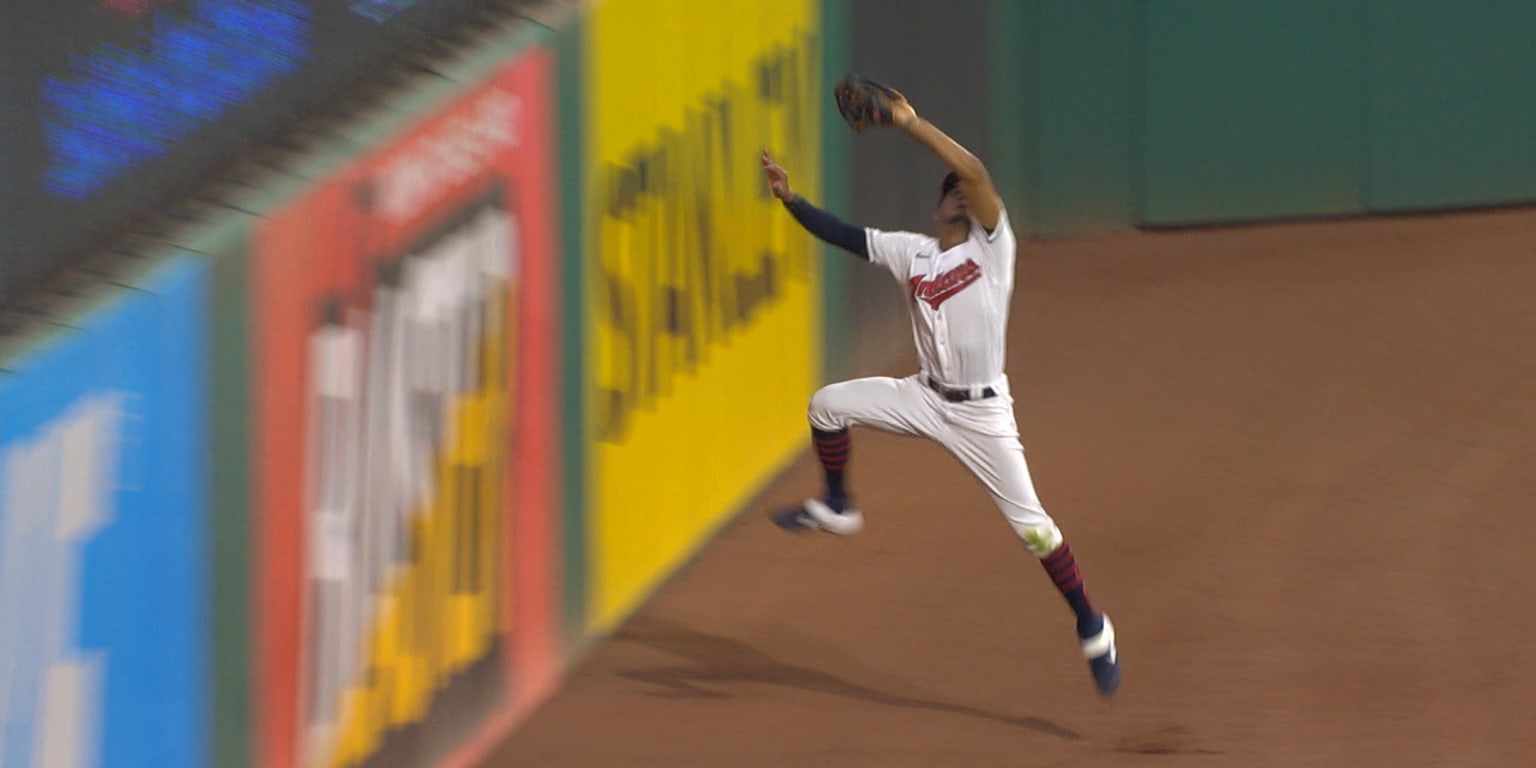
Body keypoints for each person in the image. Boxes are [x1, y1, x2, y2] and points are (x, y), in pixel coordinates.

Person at [758, 87, 1121, 697]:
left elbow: (975, 170)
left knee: (1035, 530)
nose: (965, 189)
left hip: (983, 415)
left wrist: (908, 123)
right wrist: (790, 198)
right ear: (939, 206)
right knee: (826, 405)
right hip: (923, 398)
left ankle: (1092, 623)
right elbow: (844, 235)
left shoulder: (994, 248)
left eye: (967, 189)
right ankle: (840, 505)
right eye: (952, 188)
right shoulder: (912, 252)